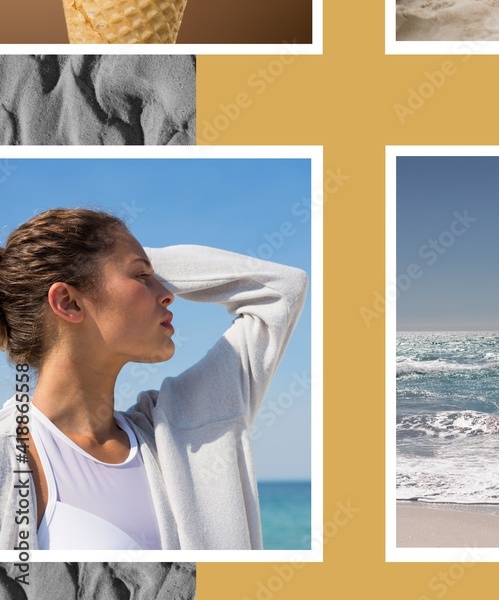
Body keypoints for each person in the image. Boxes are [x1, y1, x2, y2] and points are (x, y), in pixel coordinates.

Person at [0, 208, 308, 550]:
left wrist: (133, 259)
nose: (168, 293)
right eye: (142, 276)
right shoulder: (9, 455)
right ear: (69, 302)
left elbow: (283, 289)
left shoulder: (182, 430)